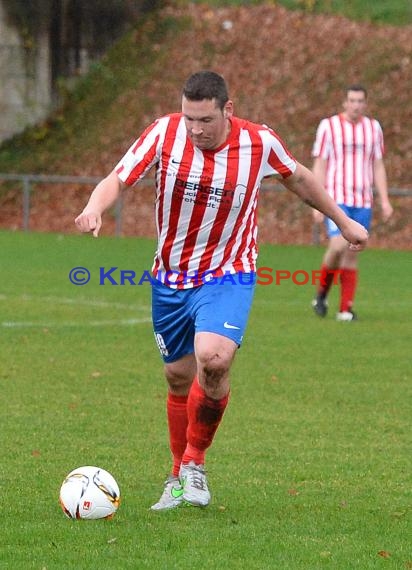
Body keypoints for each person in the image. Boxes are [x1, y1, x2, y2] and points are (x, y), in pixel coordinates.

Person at [75, 71, 368, 510]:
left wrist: (342, 220)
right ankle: (177, 475)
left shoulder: (259, 143)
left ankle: (195, 463)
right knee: (178, 376)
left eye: (205, 120)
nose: (195, 129)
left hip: (229, 271)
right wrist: (94, 207)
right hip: (171, 277)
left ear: (227, 110)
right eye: (189, 118)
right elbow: (118, 178)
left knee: (214, 360)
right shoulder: (164, 133)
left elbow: (300, 178)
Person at [311, 85, 393, 321]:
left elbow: (377, 164)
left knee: (352, 253)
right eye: (352, 100)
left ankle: (345, 310)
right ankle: (322, 292)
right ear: (344, 103)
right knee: (337, 245)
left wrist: (385, 199)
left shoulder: (373, 128)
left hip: (363, 200)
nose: (356, 105)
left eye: (360, 101)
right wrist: (316, 203)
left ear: (365, 104)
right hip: (336, 199)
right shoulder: (329, 126)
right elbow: (320, 163)